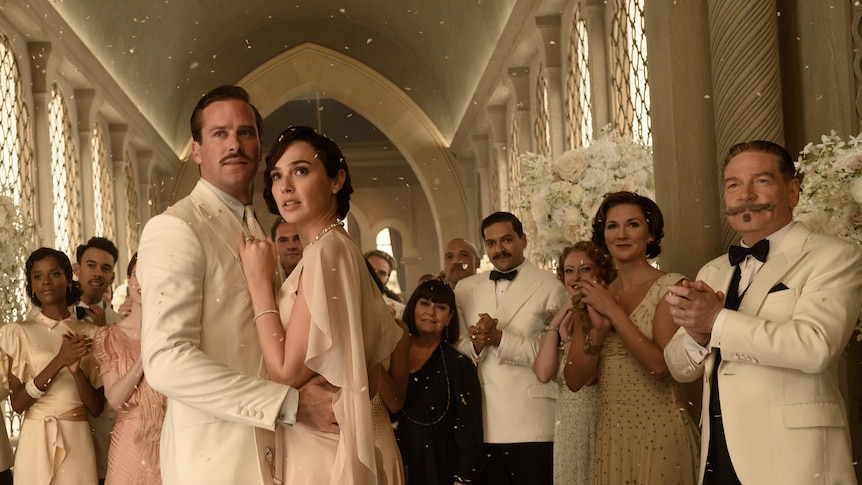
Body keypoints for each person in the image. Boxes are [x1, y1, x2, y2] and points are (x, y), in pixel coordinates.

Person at [138, 85, 337, 485]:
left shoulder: (258, 227)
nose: (235, 143)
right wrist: (287, 403)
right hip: (216, 458)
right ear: (196, 150)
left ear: (260, 145)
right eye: (219, 133)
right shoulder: (176, 227)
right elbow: (165, 360)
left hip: (281, 449)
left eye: (245, 132)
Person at [664, 140, 862, 485]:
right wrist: (698, 337)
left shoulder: (834, 256)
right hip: (718, 455)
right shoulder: (711, 271)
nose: (746, 194)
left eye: (762, 181)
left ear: (793, 191)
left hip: (794, 458)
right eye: (734, 184)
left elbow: (816, 348)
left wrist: (717, 321)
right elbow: (679, 368)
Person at [239, 125, 404, 484]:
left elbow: (284, 372)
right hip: (331, 434)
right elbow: (369, 371)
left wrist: (259, 286)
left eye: (301, 170)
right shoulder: (337, 248)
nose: (285, 186)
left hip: (322, 446)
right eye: (276, 175)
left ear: (336, 179)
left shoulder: (325, 252)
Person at [563, 192, 699, 485]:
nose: (621, 234)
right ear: (603, 234)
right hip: (611, 434)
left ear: (650, 234)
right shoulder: (592, 296)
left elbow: (661, 368)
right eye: (612, 226)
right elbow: (574, 380)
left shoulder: (671, 287)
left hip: (660, 431)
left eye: (633, 225)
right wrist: (598, 332)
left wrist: (613, 311)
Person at [453, 211, 568, 485]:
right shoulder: (465, 289)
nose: (499, 249)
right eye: (491, 243)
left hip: (533, 421)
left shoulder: (551, 286)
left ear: (523, 240)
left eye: (506, 240)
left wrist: (500, 339)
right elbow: (456, 347)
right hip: (480, 421)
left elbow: (555, 356)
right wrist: (477, 344)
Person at [0, 247, 103, 484]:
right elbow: (17, 404)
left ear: (68, 280)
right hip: (36, 438)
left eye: (54, 274)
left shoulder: (91, 333)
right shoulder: (17, 334)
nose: (46, 281)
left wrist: (76, 372)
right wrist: (60, 361)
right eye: (38, 276)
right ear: (32, 286)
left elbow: (96, 409)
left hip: (77, 438)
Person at [533, 241, 615, 485]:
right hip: (567, 423)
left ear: (601, 273)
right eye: (569, 270)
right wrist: (556, 323)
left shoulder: (605, 314)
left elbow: (587, 378)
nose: (575, 277)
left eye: (585, 269)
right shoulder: (566, 315)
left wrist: (567, 338)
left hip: (596, 419)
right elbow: (543, 373)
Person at [392, 280, 484, 485]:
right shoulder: (389, 354)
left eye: (440, 307)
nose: (431, 312)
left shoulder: (459, 365)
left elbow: (470, 430)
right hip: (392, 461)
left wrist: (462, 479)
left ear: (450, 316)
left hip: (438, 467)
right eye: (424, 303)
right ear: (413, 306)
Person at [93, 253, 167, 484]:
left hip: (171, 436)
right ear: (129, 280)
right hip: (130, 442)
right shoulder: (110, 336)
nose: (143, 282)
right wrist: (146, 353)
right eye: (137, 274)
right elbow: (115, 399)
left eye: (151, 275)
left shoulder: (175, 334)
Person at [74, 236, 121, 485]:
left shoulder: (120, 324)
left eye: (105, 268)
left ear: (112, 277)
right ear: (76, 269)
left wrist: (105, 334)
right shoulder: (46, 317)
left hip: (104, 436)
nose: (97, 273)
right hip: (64, 434)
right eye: (91, 265)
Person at [365, 249, 406, 318]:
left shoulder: (399, 310)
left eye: (381, 273)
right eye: (370, 270)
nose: (375, 275)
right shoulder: (347, 301)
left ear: (388, 278)